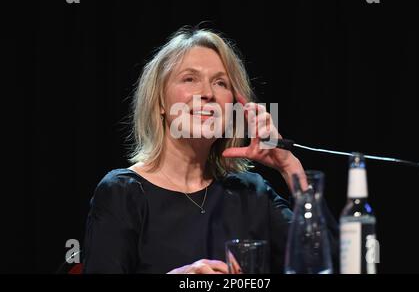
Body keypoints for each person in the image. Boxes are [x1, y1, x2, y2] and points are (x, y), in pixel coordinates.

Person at [82, 27, 338, 274]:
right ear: (160, 101)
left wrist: (289, 166)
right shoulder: (122, 193)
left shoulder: (251, 193)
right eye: (190, 79)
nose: (207, 93)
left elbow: (328, 264)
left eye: (220, 83)